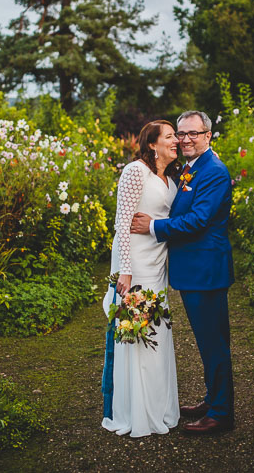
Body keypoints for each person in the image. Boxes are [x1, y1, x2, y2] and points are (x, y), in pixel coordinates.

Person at [131, 110, 235, 435]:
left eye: (193, 133)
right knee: (208, 342)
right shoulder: (192, 168)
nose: (185, 139)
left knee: (214, 343)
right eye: (181, 133)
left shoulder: (214, 171)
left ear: (208, 136)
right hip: (195, 270)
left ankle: (221, 413)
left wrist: (153, 227)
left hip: (206, 271)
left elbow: (198, 220)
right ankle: (213, 399)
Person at [101, 120, 181, 437]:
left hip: (157, 264)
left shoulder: (170, 177)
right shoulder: (136, 171)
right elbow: (122, 223)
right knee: (137, 335)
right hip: (136, 265)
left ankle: (158, 405)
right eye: (170, 136)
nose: (177, 140)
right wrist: (126, 269)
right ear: (152, 144)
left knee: (157, 334)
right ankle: (137, 411)